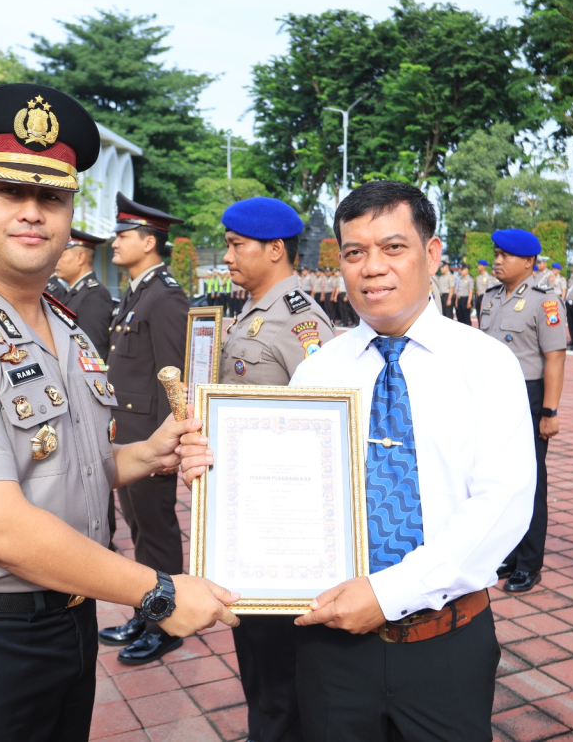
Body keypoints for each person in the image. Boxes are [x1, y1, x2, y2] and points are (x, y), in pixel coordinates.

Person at [0, 83, 238, 742]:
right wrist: (157, 592)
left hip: (66, 617)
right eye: (10, 193)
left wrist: (145, 455)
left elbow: (59, 470)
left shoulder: (62, 326)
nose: (33, 212)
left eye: (51, 197)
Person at [182, 181, 535, 742]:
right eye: (354, 253)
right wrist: (217, 471)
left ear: (432, 253)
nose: (372, 268)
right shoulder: (320, 371)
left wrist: (389, 593)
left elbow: (503, 505)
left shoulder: (485, 364)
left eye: (393, 248)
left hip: (444, 640)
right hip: (332, 646)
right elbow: (282, 488)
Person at [215, 196, 334, 742]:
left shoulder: (302, 321)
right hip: (248, 511)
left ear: (276, 249)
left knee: (281, 655)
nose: (228, 255)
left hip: (283, 519)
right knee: (254, 648)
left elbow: (328, 419)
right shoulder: (252, 309)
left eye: (238, 245)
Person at [96, 193, 191, 664]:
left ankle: (166, 621)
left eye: (124, 235)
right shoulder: (137, 293)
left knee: (157, 532)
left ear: (149, 242)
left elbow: (175, 378)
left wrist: (165, 450)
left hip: (152, 443)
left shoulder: (165, 297)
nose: (115, 242)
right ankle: (145, 609)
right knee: (138, 529)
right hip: (128, 438)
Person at [480, 229, 567, 594]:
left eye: (506, 255)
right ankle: (511, 553)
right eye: (496, 254)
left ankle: (529, 563)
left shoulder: (544, 301)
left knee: (530, 483)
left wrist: (549, 410)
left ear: (529, 262)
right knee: (499, 479)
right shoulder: (490, 297)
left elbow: (555, 359)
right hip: (492, 398)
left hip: (529, 398)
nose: (497, 261)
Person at [53, 227, 113, 355]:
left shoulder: (94, 295)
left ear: (80, 258)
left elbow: (94, 349)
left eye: (61, 256)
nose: (56, 262)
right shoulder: (74, 292)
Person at [474, 259, 493, 324]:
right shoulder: (478, 277)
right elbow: (477, 290)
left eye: (480, 265)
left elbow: (490, 290)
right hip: (479, 298)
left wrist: (487, 300)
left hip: (485, 297)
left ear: (484, 267)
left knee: (484, 317)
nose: (478, 267)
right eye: (478, 265)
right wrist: (476, 300)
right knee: (478, 316)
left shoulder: (488, 277)